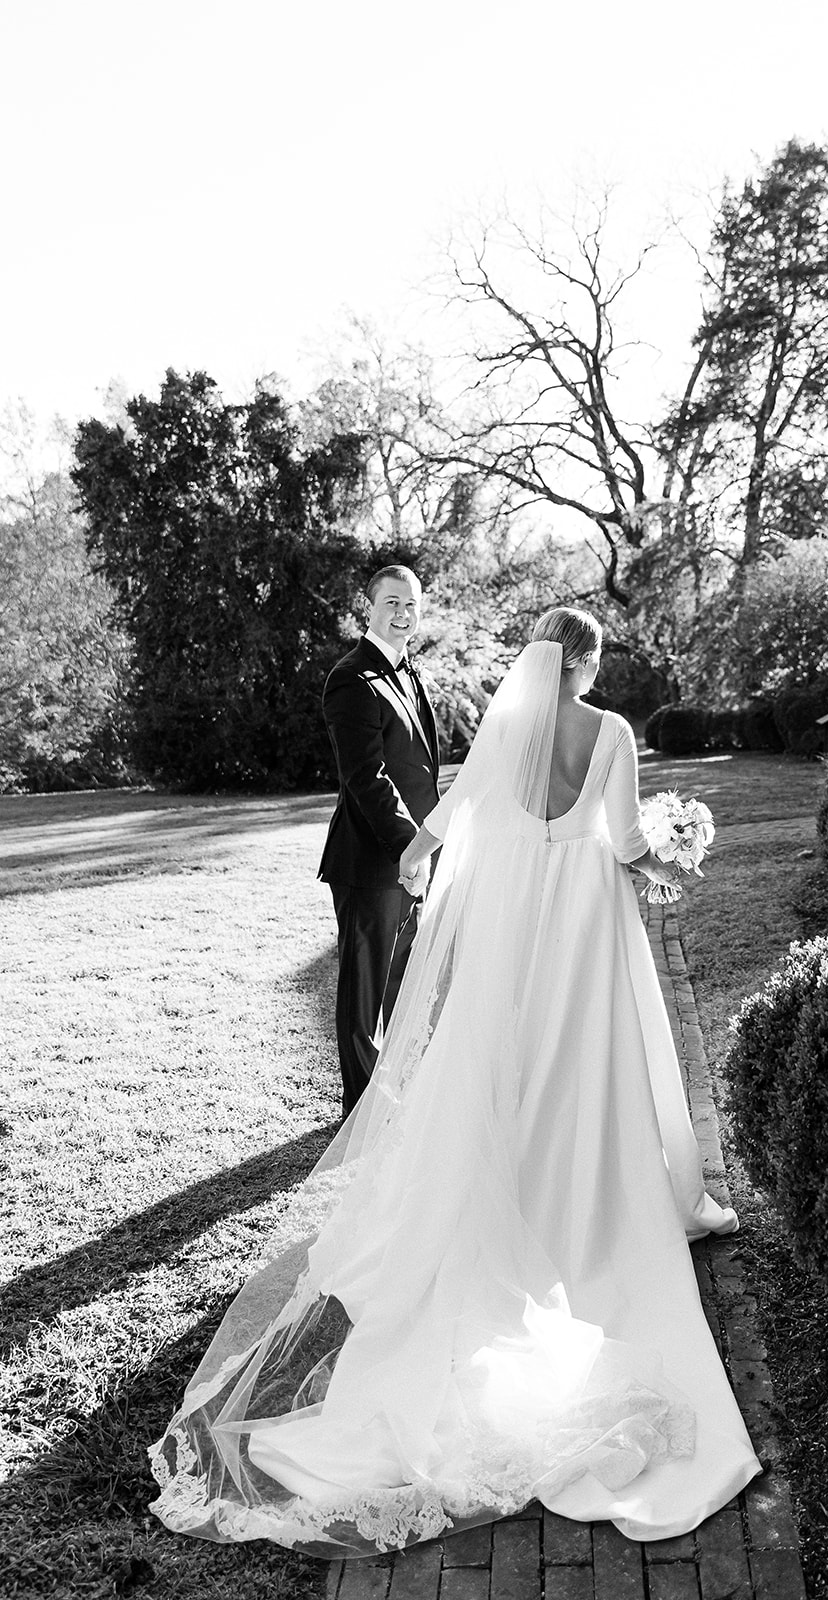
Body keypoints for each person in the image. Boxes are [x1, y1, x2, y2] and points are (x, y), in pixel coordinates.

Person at [148, 607, 761, 1559]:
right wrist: (675, 847)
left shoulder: (508, 732)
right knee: (586, 1060)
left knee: (512, 1060)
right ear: (587, 664)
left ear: (536, 664)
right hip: (587, 916)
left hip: (520, 931)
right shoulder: (610, 733)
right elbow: (624, 839)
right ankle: (588, 1190)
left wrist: (416, 856)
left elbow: (444, 818)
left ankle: (513, 1179)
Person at [317, 565, 439, 1117]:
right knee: (364, 990)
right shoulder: (351, 677)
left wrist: (429, 849)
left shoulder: (409, 672)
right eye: (393, 602)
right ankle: (361, 1110)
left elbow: (420, 772)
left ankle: (401, 1091)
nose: (403, 615)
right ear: (369, 606)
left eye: (412, 605)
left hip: (416, 857)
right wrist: (409, 848)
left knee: (404, 982)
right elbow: (366, 778)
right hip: (372, 858)